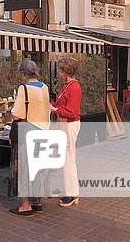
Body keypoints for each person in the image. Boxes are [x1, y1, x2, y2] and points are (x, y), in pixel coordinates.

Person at [6, 59, 51, 216]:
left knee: (24, 168)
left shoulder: (23, 88)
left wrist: (9, 111)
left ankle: (25, 205)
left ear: (23, 73)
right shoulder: (44, 87)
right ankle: (37, 201)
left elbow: (18, 114)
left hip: (28, 132)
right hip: (43, 130)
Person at [52, 57, 82, 207]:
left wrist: (55, 109)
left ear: (65, 71)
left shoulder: (75, 87)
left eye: (60, 70)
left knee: (68, 159)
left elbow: (71, 111)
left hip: (70, 125)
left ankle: (72, 193)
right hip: (64, 124)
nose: (58, 72)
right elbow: (59, 103)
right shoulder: (66, 86)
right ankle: (64, 188)